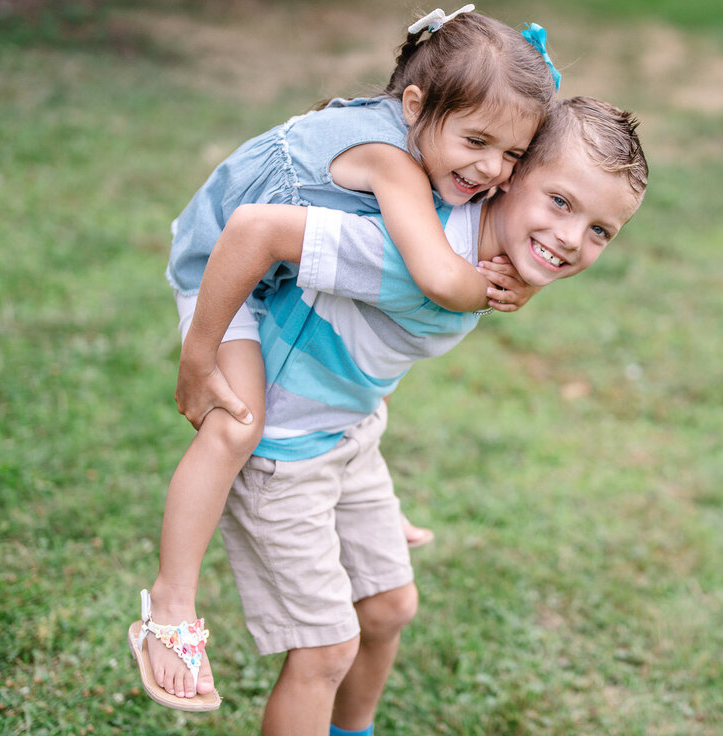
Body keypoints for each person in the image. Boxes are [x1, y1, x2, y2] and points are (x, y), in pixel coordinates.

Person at [133, 95, 647, 734]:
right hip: (285, 453)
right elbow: (257, 231)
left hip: (348, 434)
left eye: (600, 230)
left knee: (388, 608)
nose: (571, 239)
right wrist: (201, 355)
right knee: (326, 649)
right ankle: (169, 605)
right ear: (509, 177)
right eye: (561, 203)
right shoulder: (405, 254)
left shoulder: (494, 259)